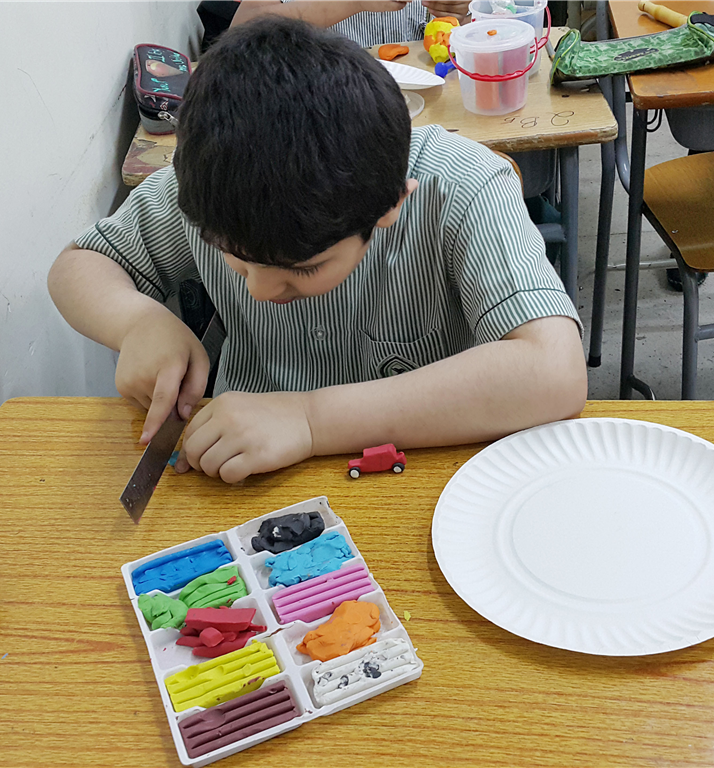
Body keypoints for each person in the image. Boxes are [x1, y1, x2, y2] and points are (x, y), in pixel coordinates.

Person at [48, 18, 586, 484]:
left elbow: (554, 371)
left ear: (391, 205)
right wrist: (137, 322)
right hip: (241, 464)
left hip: (425, 470)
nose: (260, 290)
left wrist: (310, 420)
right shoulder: (213, 182)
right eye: (234, 258)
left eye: (302, 269)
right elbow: (80, 264)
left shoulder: (461, 185)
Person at [199, 0, 470, 50]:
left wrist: (462, 12)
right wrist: (354, 2)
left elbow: (477, 30)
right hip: (319, 103)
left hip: (419, 102)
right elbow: (240, 33)